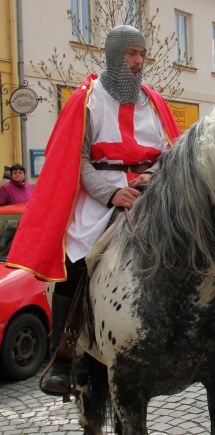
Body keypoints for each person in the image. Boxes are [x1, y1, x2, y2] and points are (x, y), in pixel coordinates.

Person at [6, 25, 183, 396]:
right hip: (100, 194)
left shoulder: (154, 101)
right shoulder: (87, 99)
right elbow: (78, 159)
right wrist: (111, 194)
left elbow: (171, 152)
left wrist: (147, 179)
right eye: (132, 54)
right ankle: (64, 356)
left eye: (142, 55)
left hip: (151, 190)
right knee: (76, 257)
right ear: (115, 54)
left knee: (197, 234)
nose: (138, 61)